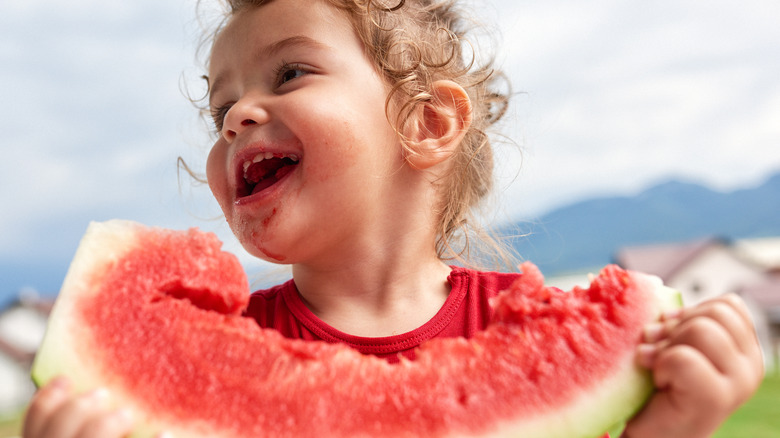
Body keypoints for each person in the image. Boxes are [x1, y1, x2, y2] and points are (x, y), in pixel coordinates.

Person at [23, 0, 763, 437]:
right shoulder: (218, 349)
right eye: (221, 108)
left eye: (291, 73)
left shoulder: (517, 325)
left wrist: (665, 428)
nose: (236, 118)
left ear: (430, 122)